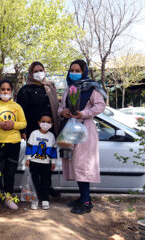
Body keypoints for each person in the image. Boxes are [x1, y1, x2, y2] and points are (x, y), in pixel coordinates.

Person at [58, 59, 106, 215]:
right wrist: (63, 111)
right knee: (74, 165)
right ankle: (84, 198)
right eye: (72, 70)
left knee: (82, 164)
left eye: (78, 70)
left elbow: (100, 106)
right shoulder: (68, 89)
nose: (74, 73)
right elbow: (60, 107)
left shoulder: (92, 88)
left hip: (85, 130)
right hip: (69, 129)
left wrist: (83, 113)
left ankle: (85, 202)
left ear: (84, 71)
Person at [16, 61, 60, 197]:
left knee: (47, 161)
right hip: (33, 131)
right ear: (30, 73)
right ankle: (36, 189)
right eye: (35, 71)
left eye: (41, 69)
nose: (39, 73)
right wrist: (23, 131)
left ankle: (47, 187)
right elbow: (21, 112)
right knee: (35, 161)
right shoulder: (25, 90)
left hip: (49, 130)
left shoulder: (50, 87)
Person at [0, 79, 27, 210]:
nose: (5, 92)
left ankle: (9, 197)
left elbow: (24, 123)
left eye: (8, 89)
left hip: (14, 143)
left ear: (11, 91)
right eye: (3, 89)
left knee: (10, 172)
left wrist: (13, 124)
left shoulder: (17, 107)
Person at [25, 113, 57, 210]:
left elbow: (53, 150)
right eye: (43, 121)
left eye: (48, 122)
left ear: (52, 124)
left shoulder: (51, 136)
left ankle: (45, 200)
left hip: (46, 164)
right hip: (34, 162)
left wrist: (53, 161)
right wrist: (28, 159)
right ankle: (34, 200)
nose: (45, 124)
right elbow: (29, 147)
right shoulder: (34, 133)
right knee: (34, 182)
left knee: (45, 182)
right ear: (39, 122)